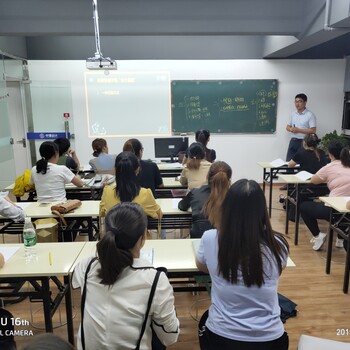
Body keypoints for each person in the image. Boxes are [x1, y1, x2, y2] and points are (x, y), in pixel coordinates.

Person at [196, 179, 289, 350]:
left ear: (227, 208)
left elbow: (202, 266)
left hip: (221, 337)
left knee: (204, 320)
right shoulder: (278, 244)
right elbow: (277, 272)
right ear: (262, 210)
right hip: (271, 340)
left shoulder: (210, 238)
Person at [72, 203, 179, 350]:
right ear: (143, 238)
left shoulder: (86, 267)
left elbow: (76, 283)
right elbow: (170, 337)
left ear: (105, 233)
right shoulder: (155, 280)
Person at [300, 140, 350, 251]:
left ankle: (318, 236)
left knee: (303, 206)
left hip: (334, 209)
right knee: (344, 215)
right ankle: (340, 239)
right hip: (347, 209)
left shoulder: (330, 167)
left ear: (330, 154)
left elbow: (314, 180)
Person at [99, 152, 162, 220]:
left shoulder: (107, 192)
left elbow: (102, 213)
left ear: (115, 169)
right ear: (137, 170)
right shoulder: (145, 194)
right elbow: (158, 215)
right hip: (137, 230)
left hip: (113, 230)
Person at [178, 161, 231, 238]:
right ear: (228, 181)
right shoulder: (235, 196)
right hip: (227, 244)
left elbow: (182, 206)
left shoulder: (195, 192)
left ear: (207, 177)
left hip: (198, 241)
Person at [285, 94, 317, 162]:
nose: (297, 104)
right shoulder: (293, 114)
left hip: (304, 143)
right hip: (293, 141)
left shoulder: (310, 115)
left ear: (305, 102)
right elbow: (287, 127)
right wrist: (291, 129)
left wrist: (298, 130)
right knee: (289, 163)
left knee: (302, 164)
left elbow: (313, 130)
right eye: (296, 101)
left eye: (300, 101)